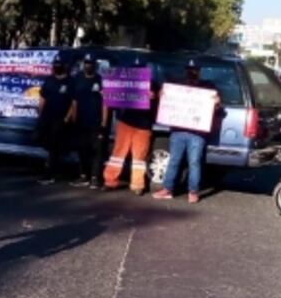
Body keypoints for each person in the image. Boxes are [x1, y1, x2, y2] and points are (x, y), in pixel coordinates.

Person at [153, 59, 219, 204]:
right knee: (174, 161)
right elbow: (164, 99)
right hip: (178, 131)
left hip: (197, 133)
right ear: (186, 70)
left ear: (199, 71)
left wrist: (216, 102)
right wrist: (162, 95)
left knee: (194, 163)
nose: (192, 72)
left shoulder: (208, 87)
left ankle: (193, 192)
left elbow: (218, 106)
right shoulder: (177, 86)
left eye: (194, 69)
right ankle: (167, 189)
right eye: (189, 69)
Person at [103, 58, 157, 195]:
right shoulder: (123, 81)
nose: (137, 71)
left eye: (140, 69)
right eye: (135, 69)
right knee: (118, 154)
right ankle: (110, 181)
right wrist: (108, 93)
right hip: (125, 122)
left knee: (139, 157)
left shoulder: (153, 84)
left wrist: (154, 96)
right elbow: (114, 97)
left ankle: (137, 185)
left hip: (143, 126)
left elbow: (159, 102)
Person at [70, 55, 108, 189]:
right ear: (83, 64)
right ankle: (83, 176)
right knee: (82, 150)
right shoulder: (77, 79)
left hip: (96, 122)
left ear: (94, 65)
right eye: (86, 63)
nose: (88, 65)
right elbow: (74, 101)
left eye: (90, 63)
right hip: (81, 121)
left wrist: (104, 122)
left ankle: (95, 178)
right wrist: (73, 120)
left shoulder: (100, 80)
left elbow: (105, 103)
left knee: (96, 151)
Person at [36, 56, 74, 185]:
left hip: (61, 120)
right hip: (47, 118)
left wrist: (67, 118)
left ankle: (49, 174)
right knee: (47, 144)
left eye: (60, 64)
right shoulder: (49, 80)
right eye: (55, 64)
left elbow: (74, 103)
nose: (57, 66)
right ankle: (52, 170)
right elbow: (42, 98)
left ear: (65, 66)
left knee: (54, 147)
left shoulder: (70, 82)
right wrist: (40, 115)